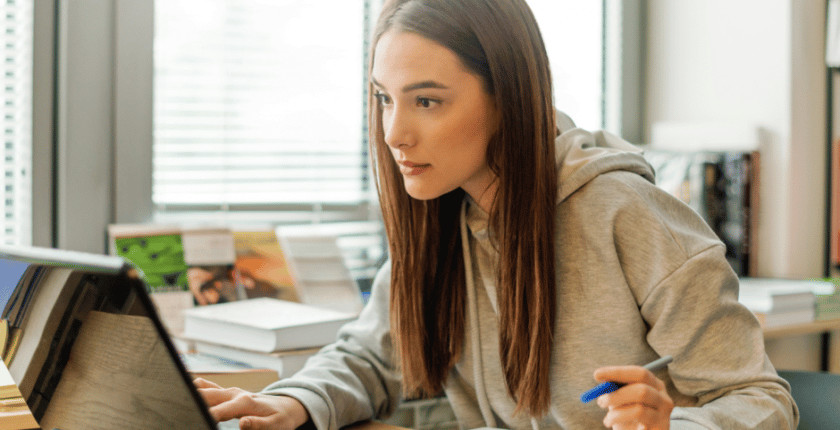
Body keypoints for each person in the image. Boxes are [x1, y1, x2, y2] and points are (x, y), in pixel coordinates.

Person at [194, 0, 798, 429]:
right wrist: (294, 403)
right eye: (384, 99)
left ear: (509, 96)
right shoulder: (440, 215)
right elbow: (371, 359)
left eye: (426, 101)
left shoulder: (627, 215)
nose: (394, 132)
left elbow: (761, 400)